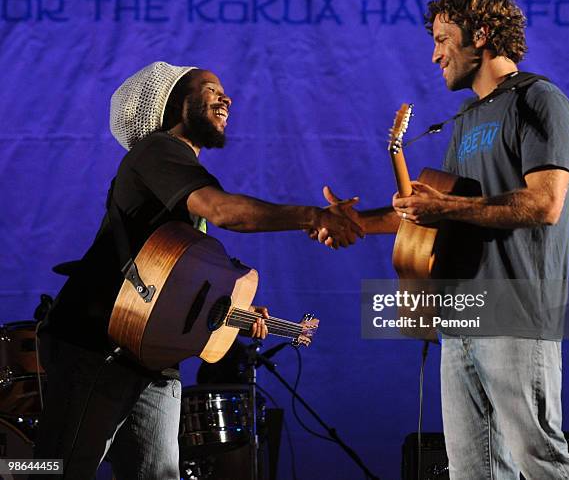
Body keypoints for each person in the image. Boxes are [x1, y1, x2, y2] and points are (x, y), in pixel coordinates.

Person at [34, 61, 363, 480]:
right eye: (209, 89)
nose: (226, 97)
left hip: (150, 358)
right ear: (174, 106)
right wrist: (312, 216)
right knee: (53, 468)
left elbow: (176, 280)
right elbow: (224, 212)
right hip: (98, 345)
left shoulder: (182, 178)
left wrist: (232, 315)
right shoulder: (157, 151)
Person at [321, 0, 569, 480]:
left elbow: (545, 203)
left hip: (516, 310)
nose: (435, 53)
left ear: (482, 35)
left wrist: (444, 205)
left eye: (444, 38)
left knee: (541, 461)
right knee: (471, 470)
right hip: (460, 315)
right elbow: (438, 215)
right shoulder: (465, 120)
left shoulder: (539, 99)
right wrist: (352, 222)